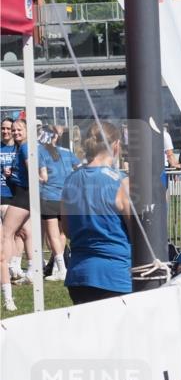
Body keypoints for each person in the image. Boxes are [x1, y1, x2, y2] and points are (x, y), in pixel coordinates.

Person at [59, 122, 132, 306]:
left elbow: (67, 230)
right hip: (116, 275)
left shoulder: (70, 181)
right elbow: (137, 233)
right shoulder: (122, 182)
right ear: (116, 145)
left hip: (79, 276)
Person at [1, 119, 40, 308]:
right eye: (14, 130)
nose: (15, 133)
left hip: (24, 195)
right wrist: (13, 173)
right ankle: (30, 269)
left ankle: (7, 267)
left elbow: (33, 171)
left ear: (27, 130)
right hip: (24, 194)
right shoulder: (23, 147)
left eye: (19, 130)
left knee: (7, 234)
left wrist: (38, 180)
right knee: (26, 231)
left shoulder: (24, 147)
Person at [38, 126, 81, 281]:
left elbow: (44, 177)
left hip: (49, 196)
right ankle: (58, 268)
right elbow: (79, 168)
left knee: (53, 235)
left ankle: (61, 268)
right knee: (62, 233)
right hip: (67, 196)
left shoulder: (40, 152)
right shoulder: (67, 152)